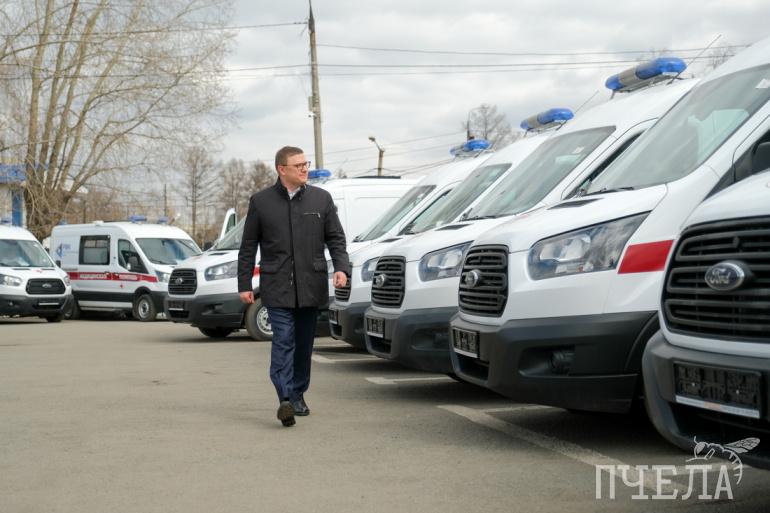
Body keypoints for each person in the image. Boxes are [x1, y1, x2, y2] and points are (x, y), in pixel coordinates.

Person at [237, 146, 350, 427]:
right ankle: (285, 398)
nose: (304, 169)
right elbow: (248, 246)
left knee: (302, 344)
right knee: (283, 339)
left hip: (310, 285)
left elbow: (336, 238)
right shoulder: (261, 202)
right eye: (298, 165)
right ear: (281, 169)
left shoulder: (321, 199)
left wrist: (341, 268)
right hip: (277, 286)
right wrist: (244, 283)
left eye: (305, 163)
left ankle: (298, 393)